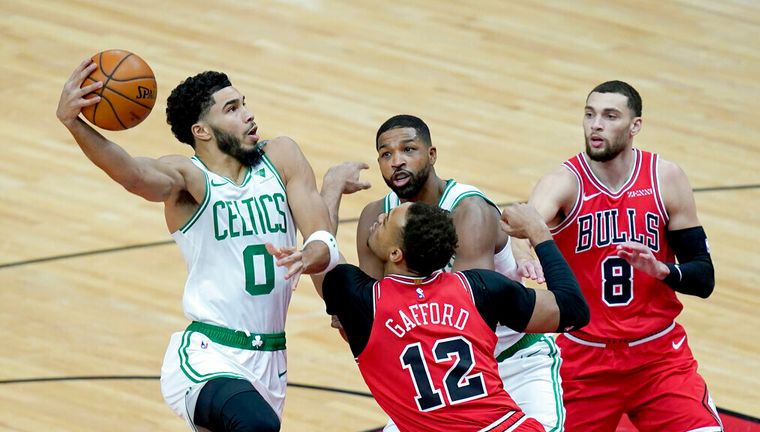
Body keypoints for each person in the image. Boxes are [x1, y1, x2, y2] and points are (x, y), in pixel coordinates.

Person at [56, 59, 340, 431]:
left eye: (243, 103)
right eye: (233, 109)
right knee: (255, 426)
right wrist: (74, 124)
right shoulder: (189, 179)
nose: (249, 115)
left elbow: (322, 239)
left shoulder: (281, 157)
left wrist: (311, 251)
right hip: (208, 354)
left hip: (270, 360)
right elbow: (134, 174)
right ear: (201, 131)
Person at [270, 201, 589, 431]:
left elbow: (323, 250)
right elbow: (574, 309)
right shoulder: (480, 287)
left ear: (396, 254)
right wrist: (537, 232)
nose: (379, 217)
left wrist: (332, 190)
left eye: (387, 220)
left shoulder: (360, 299)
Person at [336, 114, 566, 431]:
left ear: (432, 155)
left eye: (408, 150)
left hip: (512, 364)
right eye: (386, 154)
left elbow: (468, 320)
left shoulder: (469, 212)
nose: (396, 162)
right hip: (441, 371)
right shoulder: (376, 217)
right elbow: (375, 308)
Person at [524, 80, 722, 431]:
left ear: (635, 126)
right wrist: (529, 248)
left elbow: (704, 278)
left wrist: (662, 269)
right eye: (589, 115)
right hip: (583, 358)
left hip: (659, 358)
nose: (595, 124)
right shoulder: (564, 182)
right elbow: (526, 220)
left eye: (609, 116)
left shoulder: (665, 178)